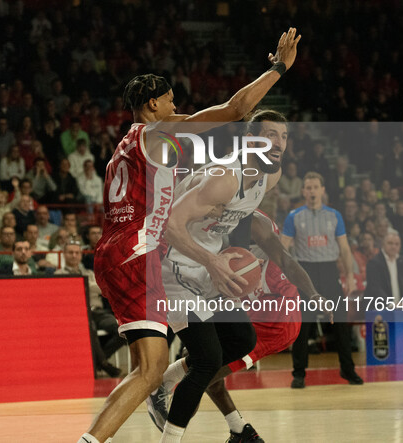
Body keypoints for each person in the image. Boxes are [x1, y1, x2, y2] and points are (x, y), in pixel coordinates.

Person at [81, 27, 301, 443]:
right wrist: (277, 68)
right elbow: (237, 109)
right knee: (153, 371)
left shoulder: (122, 148)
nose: (176, 106)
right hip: (139, 251)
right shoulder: (160, 134)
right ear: (153, 104)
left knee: (144, 371)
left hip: (111, 252)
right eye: (170, 101)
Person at [154, 210, 306, 441]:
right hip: (251, 315)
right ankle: (239, 429)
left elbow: (291, 276)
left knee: (205, 374)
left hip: (275, 327)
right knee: (204, 360)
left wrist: (314, 294)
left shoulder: (272, 264)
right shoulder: (229, 245)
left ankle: (170, 418)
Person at [281, 172, 363, 388]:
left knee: (341, 323)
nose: (312, 191)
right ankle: (299, 373)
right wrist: (282, 277)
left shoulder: (334, 215)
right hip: (305, 274)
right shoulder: (294, 216)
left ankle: (348, 369)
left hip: (329, 272)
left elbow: (345, 249)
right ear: (303, 191)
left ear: (322, 190)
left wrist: (351, 278)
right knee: (303, 326)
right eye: (308, 187)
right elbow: (283, 248)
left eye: (315, 187)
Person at [55, 240, 125, 378]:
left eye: (77, 253)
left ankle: (98, 363)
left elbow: (101, 289)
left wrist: (83, 284)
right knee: (89, 328)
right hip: (77, 314)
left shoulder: (89, 272)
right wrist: (88, 286)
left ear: (81, 255)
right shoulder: (59, 274)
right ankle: (104, 364)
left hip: (97, 311)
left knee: (122, 329)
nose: (74, 255)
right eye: (70, 252)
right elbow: (69, 293)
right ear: (64, 254)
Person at [364, 231, 403, 303]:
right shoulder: (374, 263)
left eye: (397, 244)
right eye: (390, 243)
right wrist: (390, 304)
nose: (394, 246)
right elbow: (375, 288)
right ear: (383, 244)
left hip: (399, 307)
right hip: (379, 307)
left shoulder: (402, 261)